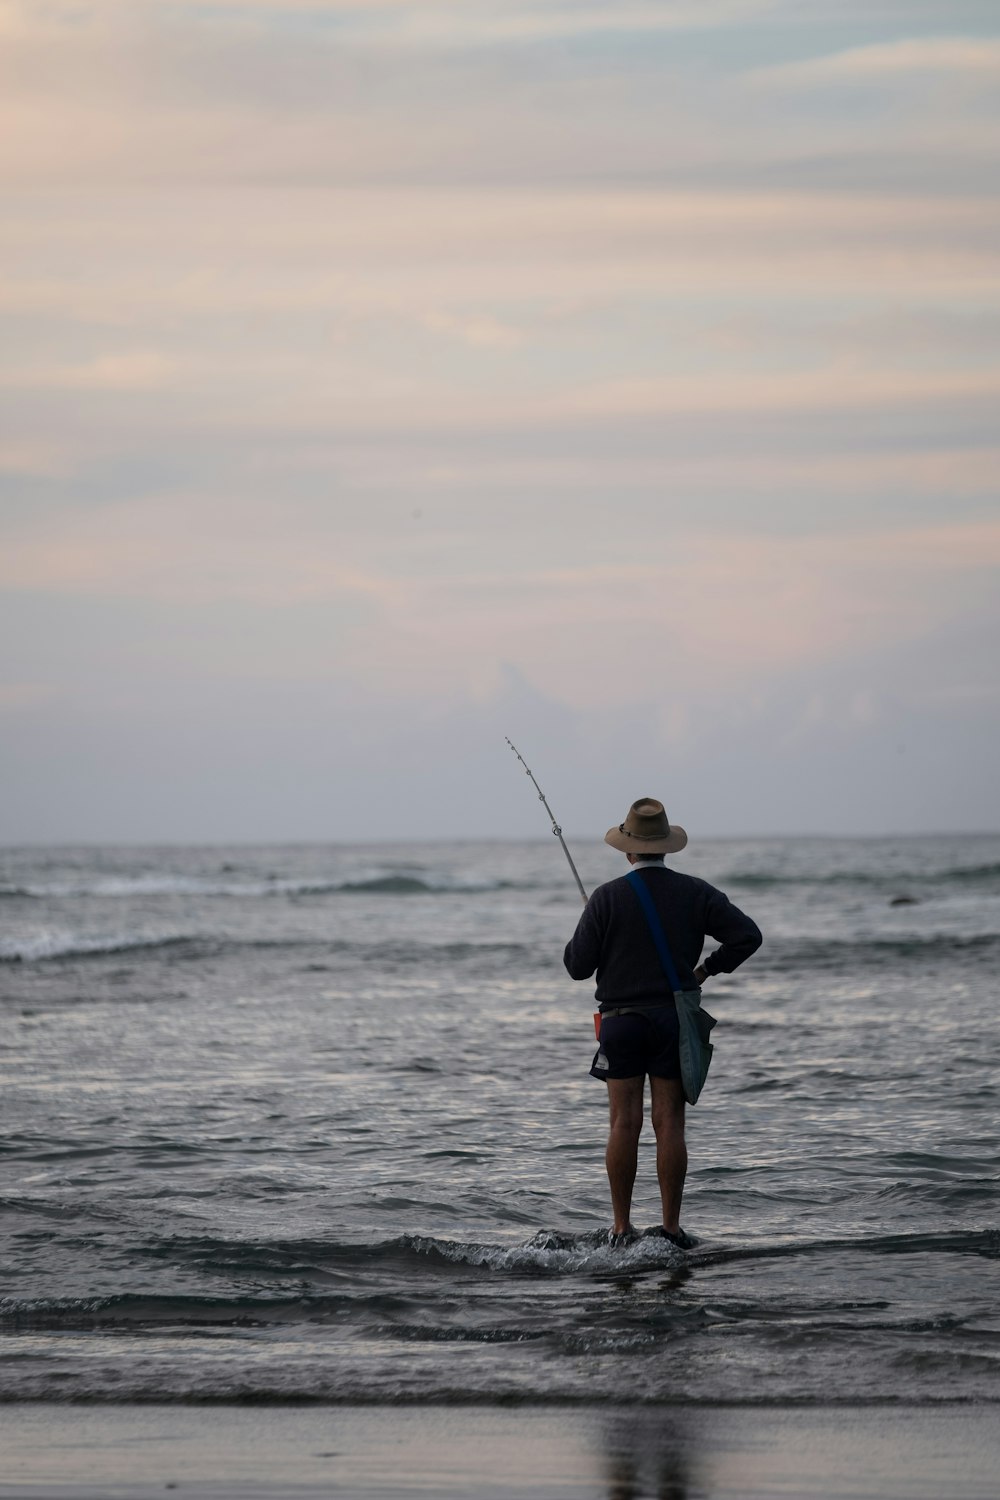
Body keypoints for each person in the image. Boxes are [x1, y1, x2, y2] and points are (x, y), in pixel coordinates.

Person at [564, 797, 762, 1248]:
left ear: (627, 850)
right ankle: (671, 1230)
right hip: (672, 1020)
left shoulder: (606, 897)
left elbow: (577, 966)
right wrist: (705, 970)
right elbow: (748, 936)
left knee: (623, 1123)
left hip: (621, 1023)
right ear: (666, 848)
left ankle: (620, 1229)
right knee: (669, 1123)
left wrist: (591, 923)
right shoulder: (696, 892)